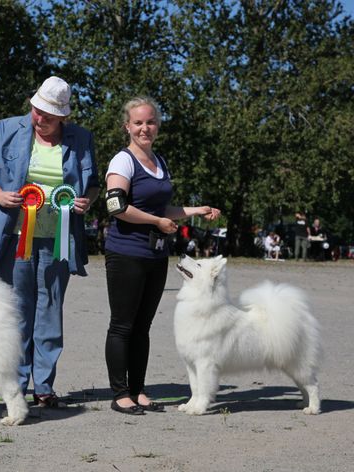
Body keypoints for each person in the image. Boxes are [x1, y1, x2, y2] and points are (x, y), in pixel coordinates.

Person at [0, 76, 100, 407]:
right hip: (14, 236)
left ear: (63, 117)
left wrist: (87, 200)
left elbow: (94, 184)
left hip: (58, 240)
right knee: (18, 311)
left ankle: (44, 386)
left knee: (50, 310)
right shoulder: (8, 128)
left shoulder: (81, 139)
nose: (38, 117)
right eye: (35, 109)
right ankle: (15, 384)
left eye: (46, 114)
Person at [104, 96, 221, 415]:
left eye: (150, 121)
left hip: (156, 255)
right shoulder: (123, 161)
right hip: (126, 253)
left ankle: (139, 390)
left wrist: (196, 210)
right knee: (122, 326)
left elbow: (161, 208)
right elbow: (116, 206)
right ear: (127, 126)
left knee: (143, 327)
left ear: (158, 125)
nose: (145, 128)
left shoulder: (159, 162)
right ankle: (120, 393)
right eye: (138, 122)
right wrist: (156, 222)